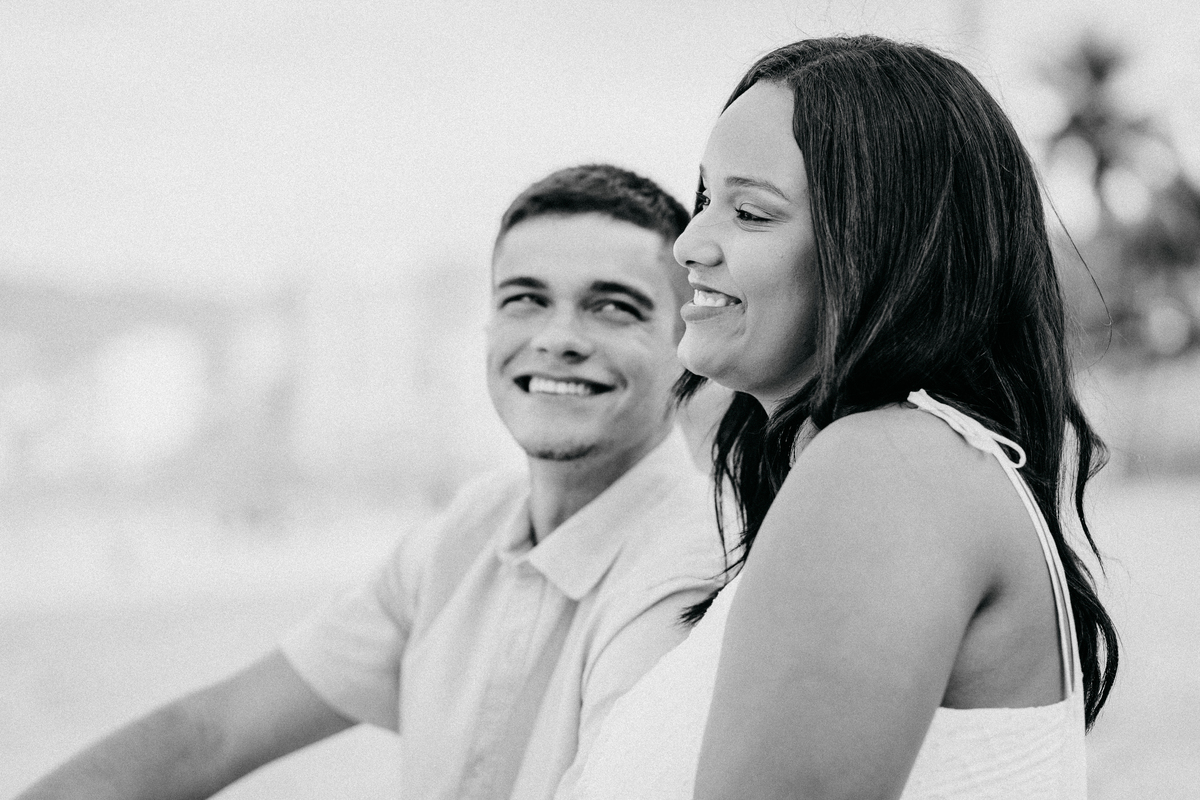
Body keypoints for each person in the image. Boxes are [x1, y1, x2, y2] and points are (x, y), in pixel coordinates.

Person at [14, 164, 727, 800]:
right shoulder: (468, 533)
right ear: (489, 329)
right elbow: (211, 734)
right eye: (524, 299)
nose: (557, 336)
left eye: (613, 306)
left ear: (684, 348)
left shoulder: (688, 561)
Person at [569, 36, 1120, 800]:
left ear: (887, 249)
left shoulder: (888, 469)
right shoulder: (893, 467)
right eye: (704, 199)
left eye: (750, 212)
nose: (690, 242)